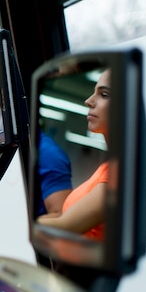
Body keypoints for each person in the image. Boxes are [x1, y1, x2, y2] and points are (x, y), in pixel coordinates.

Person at [37, 69, 110, 240]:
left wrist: (15, 223)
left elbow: (65, 226)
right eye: (94, 93)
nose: (88, 101)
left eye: (104, 94)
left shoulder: (119, 172)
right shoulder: (107, 168)